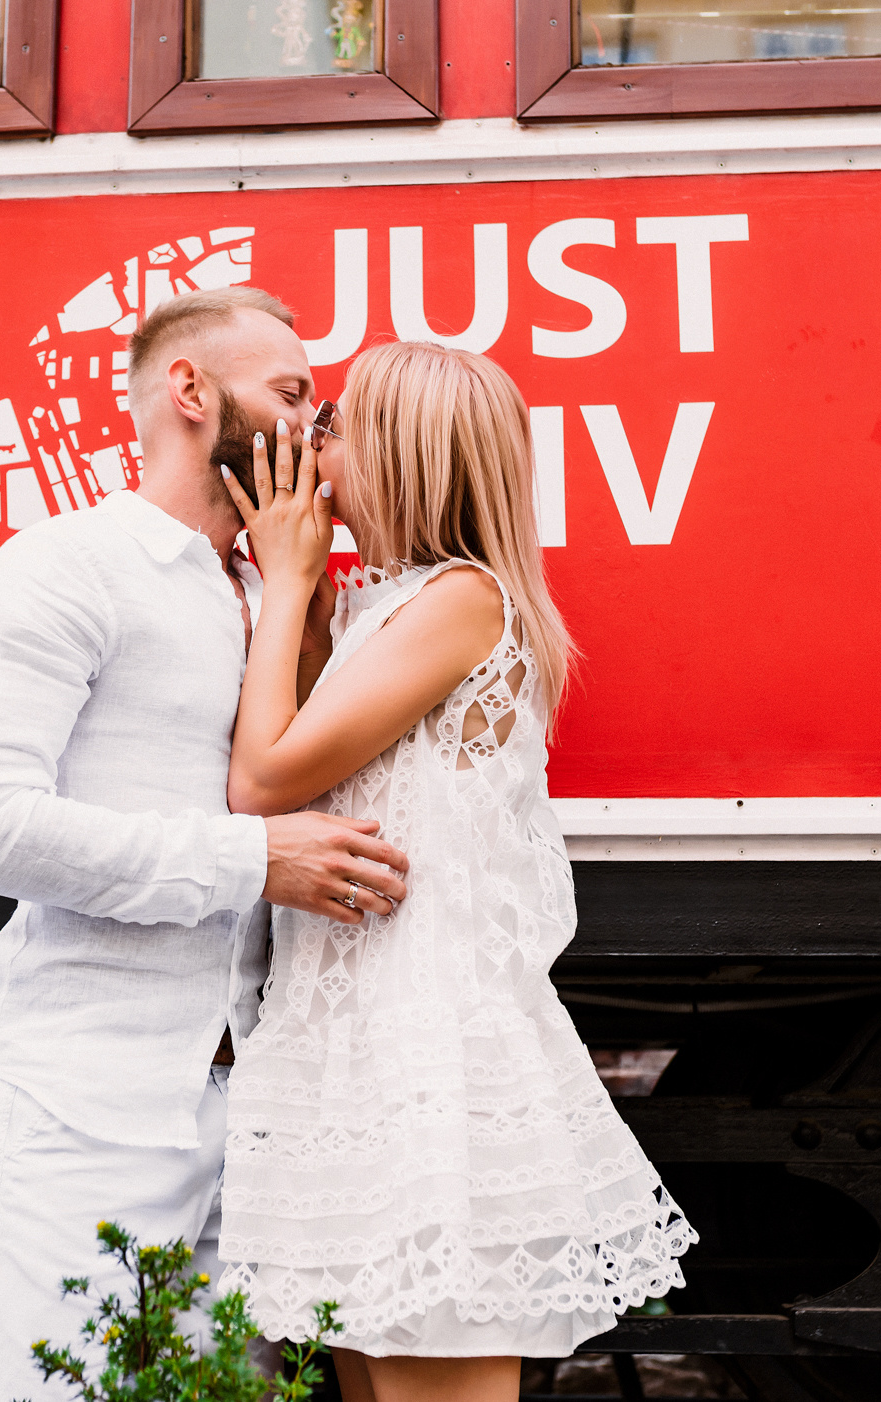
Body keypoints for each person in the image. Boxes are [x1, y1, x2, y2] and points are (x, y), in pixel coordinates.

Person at [0, 287, 414, 1402]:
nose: (314, 420)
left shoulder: (273, 590)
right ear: (191, 391)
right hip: (84, 1100)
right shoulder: (62, 568)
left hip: (255, 1114)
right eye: (292, 392)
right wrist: (255, 861)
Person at [216, 342, 697, 1402]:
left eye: (333, 422)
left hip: (421, 1050)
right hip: (347, 1041)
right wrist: (294, 597)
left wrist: (293, 578)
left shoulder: (461, 599)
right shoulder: (377, 610)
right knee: (374, 1379)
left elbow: (260, 779)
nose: (310, 440)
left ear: (399, 453)